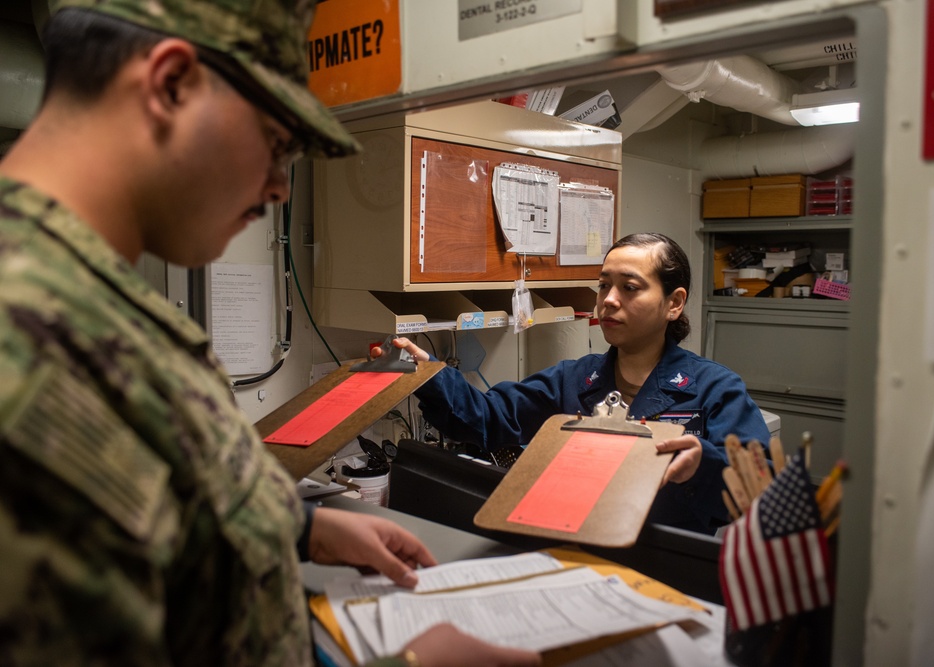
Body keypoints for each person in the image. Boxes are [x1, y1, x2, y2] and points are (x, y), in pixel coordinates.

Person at [0, 1, 539, 666]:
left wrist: (305, 527)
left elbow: (168, 509)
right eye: (276, 145)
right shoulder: (29, 348)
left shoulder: (88, 296)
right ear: (170, 85)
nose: (280, 188)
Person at [384, 233, 771, 534]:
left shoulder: (714, 388)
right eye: (604, 286)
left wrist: (703, 463)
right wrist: (430, 373)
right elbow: (487, 417)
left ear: (674, 303)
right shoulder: (573, 379)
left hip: (667, 561)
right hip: (578, 554)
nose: (609, 301)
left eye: (630, 288)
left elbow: (758, 486)